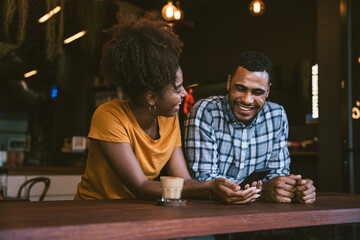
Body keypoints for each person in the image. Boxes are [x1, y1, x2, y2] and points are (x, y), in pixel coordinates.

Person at [74, 19, 261, 204]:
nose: (184, 93)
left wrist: (218, 187)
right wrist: (209, 188)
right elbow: (140, 186)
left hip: (135, 212)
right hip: (94, 209)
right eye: (178, 89)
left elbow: (183, 181)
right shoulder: (109, 116)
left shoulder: (168, 118)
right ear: (152, 98)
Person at [184, 51, 316, 204]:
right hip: (209, 213)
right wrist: (263, 190)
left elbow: (277, 176)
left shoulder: (277, 116)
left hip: (260, 216)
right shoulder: (206, 111)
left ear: (268, 91)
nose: (247, 100)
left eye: (258, 92)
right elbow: (205, 181)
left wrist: (296, 189)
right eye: (240, 88)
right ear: (228, 82)